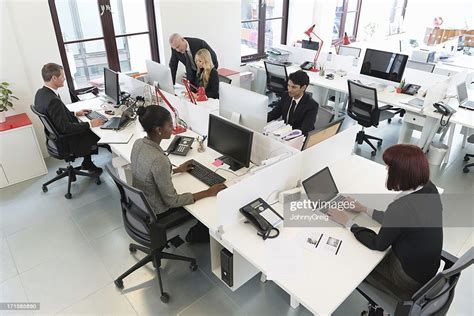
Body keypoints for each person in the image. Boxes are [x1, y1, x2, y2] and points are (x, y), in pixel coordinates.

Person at [328, 144, 443, 300]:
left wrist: (348, 223)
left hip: (405, 279)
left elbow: (378, 244)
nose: (386, 170)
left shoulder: (401, 208)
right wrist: (364, 209)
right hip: (425, 270)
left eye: (389, 167)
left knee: (351, 259)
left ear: (400, 174)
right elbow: (398, 220)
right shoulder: (430, 189)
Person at [130, 105, 226, 217]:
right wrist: (208, 192)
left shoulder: (138, 143)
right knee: (204, 215)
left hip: (143, 205)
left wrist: (176, 170)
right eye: (170, 125)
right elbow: (172, 201)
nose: (174, 128)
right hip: (158, 212)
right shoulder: (159, 160)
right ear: (159, 130)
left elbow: (152, 173)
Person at [34, 63, 104, 174]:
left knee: (89, 128)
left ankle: (87, 163)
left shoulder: (41, 93)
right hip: (67, 140)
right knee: (95, 133)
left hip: (56, 138)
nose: (64, 78)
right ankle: (88, 163)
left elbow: (54, 116)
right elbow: (65, 128)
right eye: (62, 76)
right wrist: (90, 123)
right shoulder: (53, 100)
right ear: (54, 78)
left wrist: (75, 113)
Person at [267, 70, 319, 136]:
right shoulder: (286, 96)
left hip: (298, 137)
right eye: (288, 85)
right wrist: (259, 119)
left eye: (293, 87)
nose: (289, 90)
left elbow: (305, 129)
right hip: (284, 133)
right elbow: (274, 114)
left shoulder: (312, 105)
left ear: (303, 88)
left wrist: (287, 135)